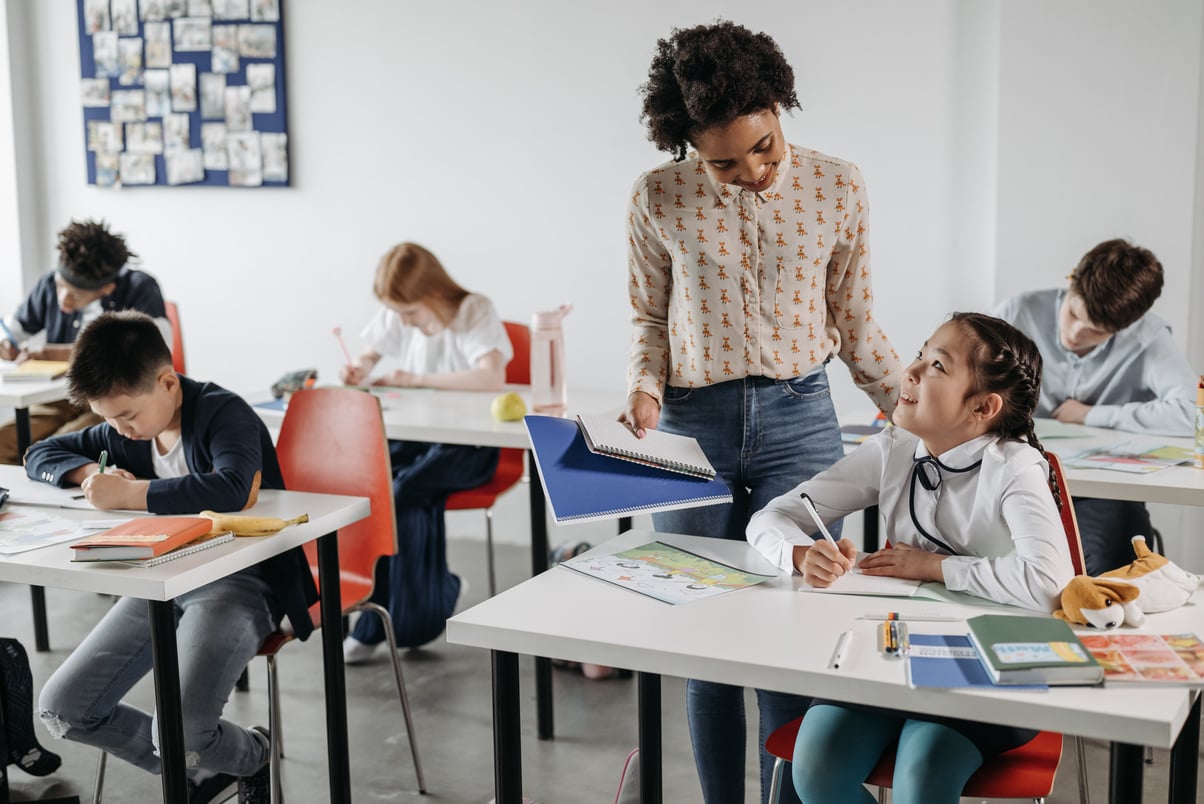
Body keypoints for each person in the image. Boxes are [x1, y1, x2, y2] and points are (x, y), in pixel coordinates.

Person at [618, 21, 903, 803]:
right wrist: (644, 387)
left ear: (781, 108)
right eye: (723, 162)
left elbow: (856, 319)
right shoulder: (657, 197)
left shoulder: (838, 185)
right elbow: (648, 317)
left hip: (801, 418)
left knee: (790, 629)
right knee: (707, 640)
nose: (751, 172)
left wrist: (911, 410)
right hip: (688, 427)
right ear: (687, 146)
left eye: (765, 148)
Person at [747, 312, 1075, 804]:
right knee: (815, 768)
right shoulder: (895, 448)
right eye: (921, 354)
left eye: (938, 366)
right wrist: (798, 554)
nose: (912, 371)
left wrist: (933, 566)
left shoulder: (1015, 467)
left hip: (990, 670)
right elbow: (769, 518)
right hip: (892, 657)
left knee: (922, 777)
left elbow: (1049, 582)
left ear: (983, 406)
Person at [24, 311, 318, 804]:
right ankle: (199, 768)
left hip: (240, 580)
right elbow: (40, 454)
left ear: (166, 383)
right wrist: (87, 477)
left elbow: (233, 488)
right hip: (159, 581)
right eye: (109, 420)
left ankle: (252, 756)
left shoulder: (225, 412)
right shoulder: (126, 430)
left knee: (179, 730)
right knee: (63, 709)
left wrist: (130, 495)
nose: (120, 430)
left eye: (127, 416)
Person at [339, 242, 509, 664]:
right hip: (416, 438)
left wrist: (417, 379)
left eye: (410, 313)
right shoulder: (402, 313)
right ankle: (427, 600)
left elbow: (492, 376)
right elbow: (369, 352)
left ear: (433, 293)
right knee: (372, 486)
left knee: (403, 491)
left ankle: (381, 622)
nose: (403, 321)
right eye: (398, 313)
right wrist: (359, 366)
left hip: (470, 447)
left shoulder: (474, 310)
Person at [993, 238, 1197, 575]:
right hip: (1011, 477)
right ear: (1072, 280)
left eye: (1096, 332)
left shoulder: (1148, 338)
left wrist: (1091, 415)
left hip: (1099, 494)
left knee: (1108, 562)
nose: (1074, 334)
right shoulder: (1018, 312)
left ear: (1128, 326)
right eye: (1073, 314)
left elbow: (1193, 413)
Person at [0, 219, 170, 464]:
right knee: (6, 440)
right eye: (61, 287)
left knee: (54, 448)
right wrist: (6, 342)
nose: (64, 300)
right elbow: (12, 328)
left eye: (76, 294)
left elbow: (157, 353)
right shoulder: (48, 284)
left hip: (113, 401)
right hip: (62, 397)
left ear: (106, 289)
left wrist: (52, 353)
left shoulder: (139, 288)